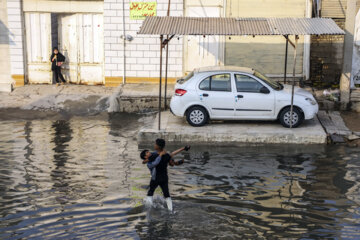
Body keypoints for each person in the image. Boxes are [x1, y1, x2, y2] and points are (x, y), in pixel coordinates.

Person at [140, 139, 190, 211]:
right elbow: (172, 157)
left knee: (150, 192)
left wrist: (145, 161)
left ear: (158, 146)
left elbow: (145, 161)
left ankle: (149, 209)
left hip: (155, 178)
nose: (154, 145)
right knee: (166, 194)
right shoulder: (166, 155)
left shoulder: (153, 156)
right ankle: (171, 210)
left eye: (155, 144)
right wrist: (183, 149)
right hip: (164, 178)